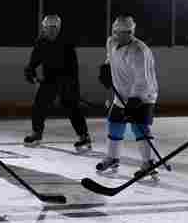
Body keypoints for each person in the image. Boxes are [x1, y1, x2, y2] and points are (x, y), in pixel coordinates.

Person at [95, 15, 160, 177]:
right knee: (114, 122)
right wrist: (105, 69)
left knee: (139, 128)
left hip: (144, 95)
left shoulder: (139, 51)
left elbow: (143, 79)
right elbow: (111, 58)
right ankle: (113, 158)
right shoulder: (111, 42)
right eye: (117, 33)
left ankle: (149, 162)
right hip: (122, 94)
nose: (120, 37)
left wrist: (135, 100)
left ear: (131, 33)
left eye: (126, 33)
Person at [23, 14, 92, 151]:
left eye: (54, 28)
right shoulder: (41, 42)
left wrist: (73, 87)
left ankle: (84, 136)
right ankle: (37, 133)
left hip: (67, 79)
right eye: (48, 27)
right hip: (49, 79)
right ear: (44, 28)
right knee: (39, 105)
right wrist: (30, 71)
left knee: (72, 106)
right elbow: (34, 60)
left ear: (59, 28)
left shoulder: (67, 43)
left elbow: (74, 67)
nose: (51, 30)